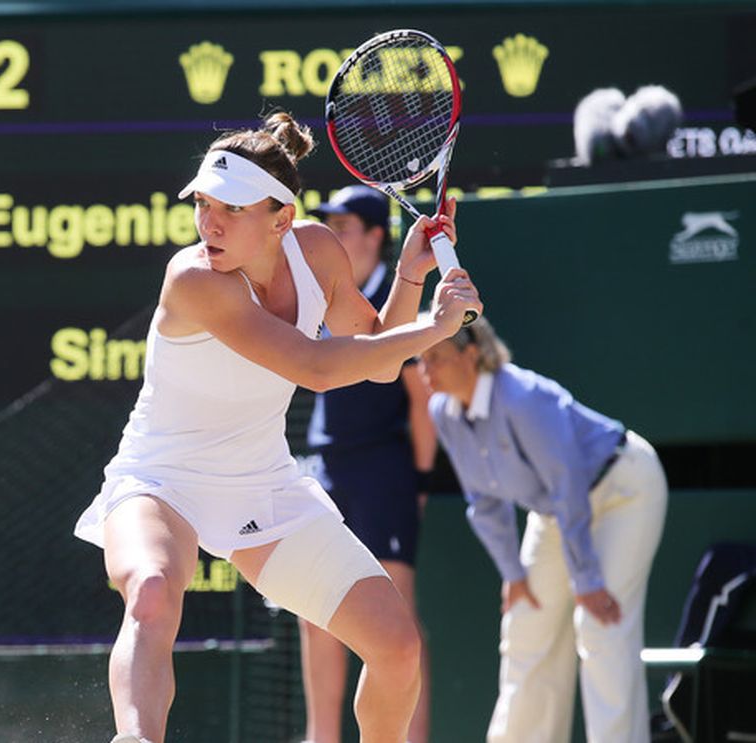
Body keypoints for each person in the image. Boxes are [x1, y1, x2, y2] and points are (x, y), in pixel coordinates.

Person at [72, 111, 482, 743]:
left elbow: (376, 355)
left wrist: (410, 276)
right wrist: (436, 328)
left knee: (397, 648)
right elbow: (317, 368)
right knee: (152, 592)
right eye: (203, 204)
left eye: (230, 209)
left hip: (261, 485)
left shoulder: (319, 251)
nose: (209, 222)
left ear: (282, 219)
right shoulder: (194, 278)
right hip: (159, 481)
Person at [418, 317, 667, 743]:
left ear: (471, 354)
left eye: (435, 358)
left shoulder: (522, 397)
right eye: (421, 360)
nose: (425, 372)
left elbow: (566, 482)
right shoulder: (442, 411)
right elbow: (484, 501)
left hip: (623, 490)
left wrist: (585, 577)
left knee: (600, 626)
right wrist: (513, 573)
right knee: (525, 623)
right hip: (556, 512)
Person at [294, 185, 436, 743]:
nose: (334, 237)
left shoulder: (394, 302)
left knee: (396, 622)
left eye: (345, 226)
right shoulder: (332, 294)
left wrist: (420, 482)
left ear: (378, 236)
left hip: (385, 473)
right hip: (326, 469)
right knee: (315, 614)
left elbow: (422, 400)